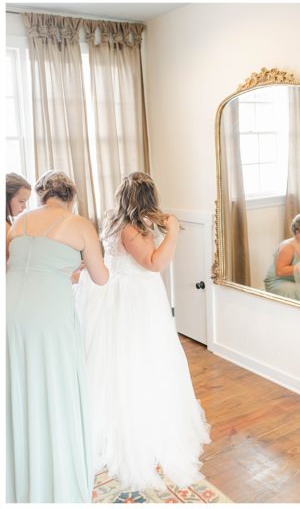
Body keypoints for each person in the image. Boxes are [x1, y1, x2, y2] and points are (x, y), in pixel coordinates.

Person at [75, 172, 209, 490]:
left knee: (125, 361)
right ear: (147, 199)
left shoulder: (115, 219)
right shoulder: (132, 228)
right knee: (139, 360)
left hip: (122, 293)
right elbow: (153, 263)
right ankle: (136, 429)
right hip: (134, 298)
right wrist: (173, 232)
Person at [7, 171, 109, 502]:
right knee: (53, 388)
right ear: (71, 197)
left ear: (41, 196)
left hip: (8, 311)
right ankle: (53, 475)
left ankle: (16, 474)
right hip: (48, 316)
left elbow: (17, 266)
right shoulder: (80, 225)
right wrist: (74, 268)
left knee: (16, 389)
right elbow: (101, 277)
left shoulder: (19, 221)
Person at [264, 213, 300, 300]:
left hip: (298, 280)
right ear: (298, 232)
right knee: (298, 291)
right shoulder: (288, 246)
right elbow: (279, 271)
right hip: (279, 280)